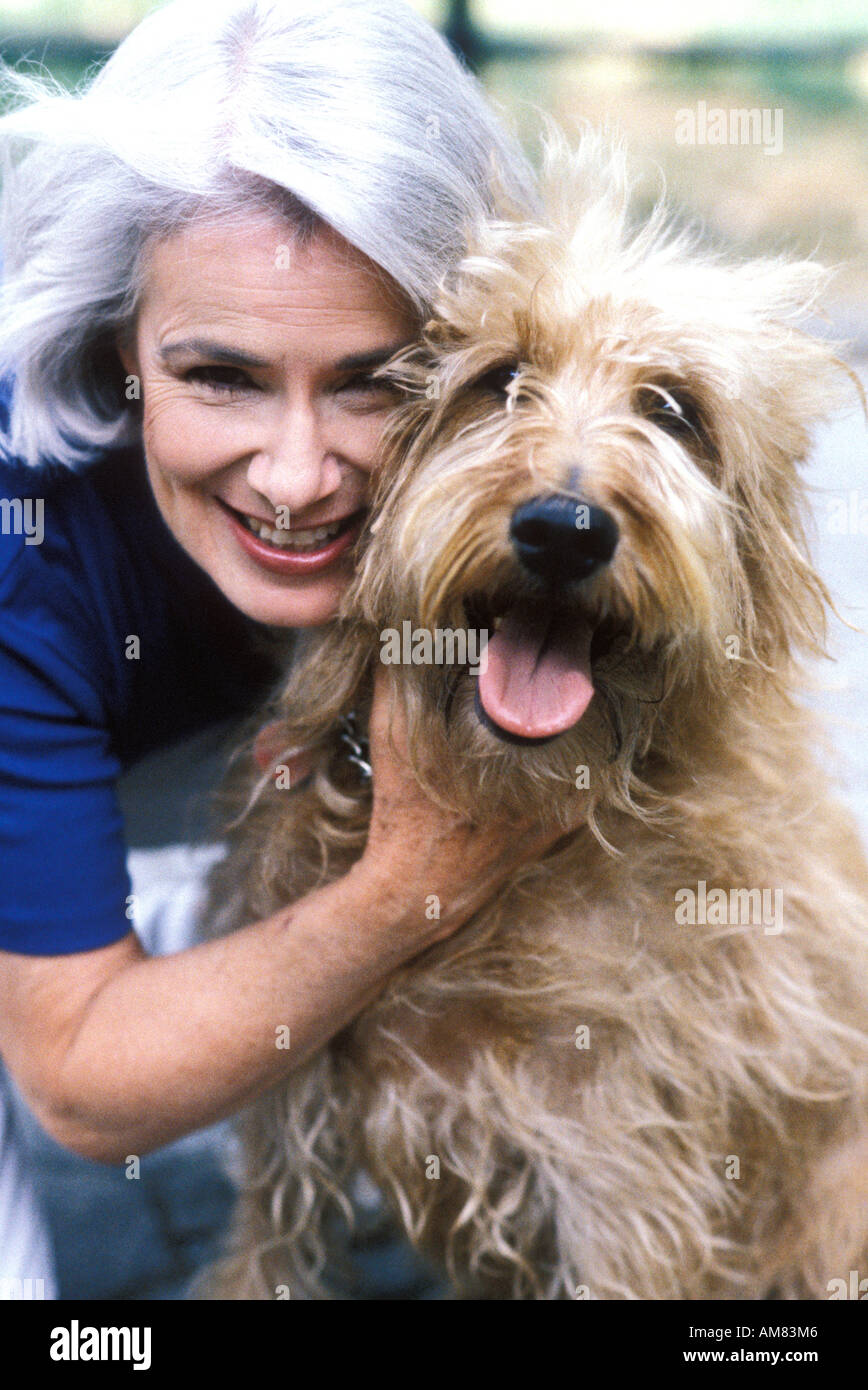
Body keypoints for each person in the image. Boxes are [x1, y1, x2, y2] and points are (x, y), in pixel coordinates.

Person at [0, 0, 562, 1299]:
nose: (301, 478)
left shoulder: (525, 434)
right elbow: (80, 1077)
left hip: (224, 715)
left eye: (377, 380)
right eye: (221, 378)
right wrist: (403, 886)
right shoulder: (29, 537)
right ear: (115, 340)